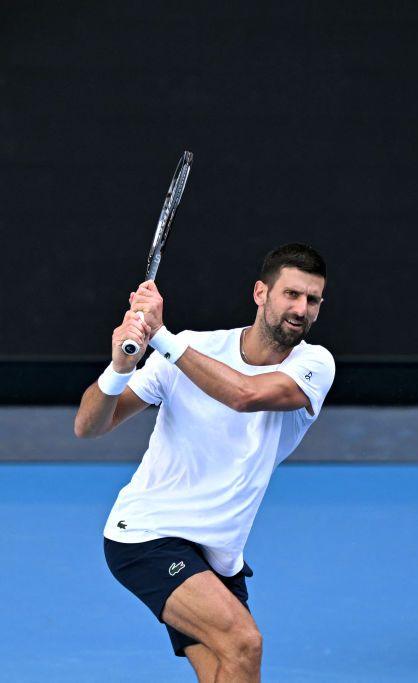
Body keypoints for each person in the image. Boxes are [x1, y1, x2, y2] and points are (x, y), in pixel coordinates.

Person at [74, 243, 334, 682]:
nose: (301, 309)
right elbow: (90, 425)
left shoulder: (314, 364)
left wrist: (160, 337)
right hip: (148, 536)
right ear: (260, 293)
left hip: (218, 552)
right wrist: (119, 368)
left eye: (312, 300)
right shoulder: (192, 348)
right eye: (291, 294)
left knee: (225, 665)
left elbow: (244, 395)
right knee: (243, 643)